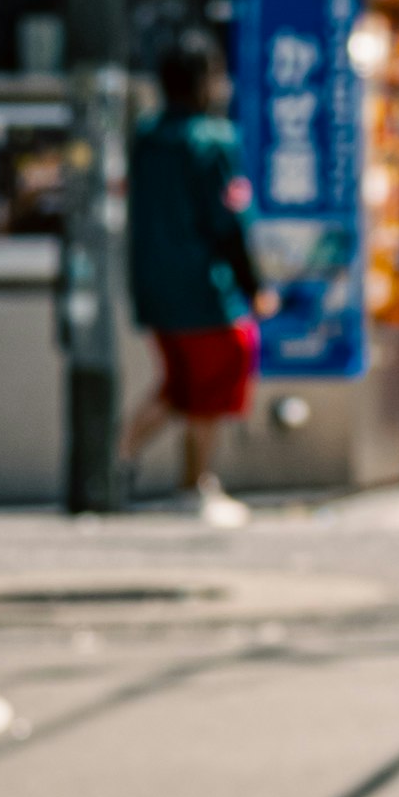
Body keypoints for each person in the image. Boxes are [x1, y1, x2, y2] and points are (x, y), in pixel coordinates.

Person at [122, 38, 273, 527]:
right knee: (210, 385)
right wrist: (255, 285)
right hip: (208, 291)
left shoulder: (146, 138)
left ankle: (117, 462)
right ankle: (196, 484)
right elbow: (230, 223)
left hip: (155, 289)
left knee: (179, 387)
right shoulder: (214, 140)